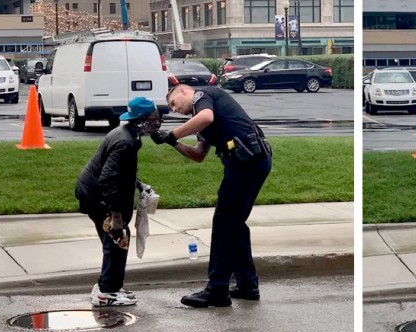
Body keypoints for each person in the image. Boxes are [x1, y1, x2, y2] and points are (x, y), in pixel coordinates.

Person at [152, 84, 272, 308]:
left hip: (247, 162)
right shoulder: (203, 122)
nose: (175, 110)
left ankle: (217, 289)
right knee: (234, 224)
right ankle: (247, 285)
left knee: (224, 223)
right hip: (250, 161)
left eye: (173, 104)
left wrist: (172, 133)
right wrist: (173, 142)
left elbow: (206, 117)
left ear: (183, 92)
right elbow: (198, 155)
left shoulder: (203, 96)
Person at [75, 97, 161, 307]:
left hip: (94, 191)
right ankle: (107, 292)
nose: (158, 123)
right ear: (141, 120)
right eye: (154, 119)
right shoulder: (125, 141)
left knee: (117, 239)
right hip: (97, 196)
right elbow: (108, 178)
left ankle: (108, 286)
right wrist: (115, 215)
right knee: (117, 237)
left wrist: (139, 185)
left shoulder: (129, 135)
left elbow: (120, 170)